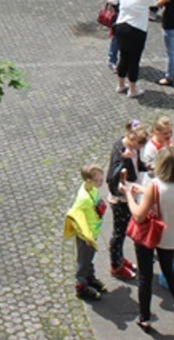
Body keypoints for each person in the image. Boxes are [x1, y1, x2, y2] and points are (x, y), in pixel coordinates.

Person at [123, 145, 174, 331]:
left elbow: (138, 215)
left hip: (149, 235)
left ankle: (145, 317)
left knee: (145, 276)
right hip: (171, 235)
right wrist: (145, 192)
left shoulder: (155, 186)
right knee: (169, 271)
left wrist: (129, 195)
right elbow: (166, 198)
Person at [106, 120, 148, 280]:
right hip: (121, 199)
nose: (140, 148)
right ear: (131, 138)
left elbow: (137, 165)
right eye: (139, 144)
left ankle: (120, 259)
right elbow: (112, 177)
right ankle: (115, 265)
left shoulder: (133, 149)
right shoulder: (120, 150)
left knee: (122, 232)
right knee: (119, 233)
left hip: (131, 195)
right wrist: (124, 161)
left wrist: (147, 167)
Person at [63, 163, 108, 302]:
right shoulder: (83, 199)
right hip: (86, 237)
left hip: (92, 233)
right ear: (89, 181)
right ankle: (81, 286)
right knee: (83, 261)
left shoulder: (92, 190)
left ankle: (90, 278)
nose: (101, 182)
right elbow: (75, 215)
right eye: (98, 180)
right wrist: (87, 235)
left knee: (89, 258)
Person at [108, 0, 154, 97]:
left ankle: (121, 85)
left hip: (121, 27)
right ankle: (132, 89)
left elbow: (111, 0)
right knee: (134, 60)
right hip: (137, 30)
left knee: (123, 57)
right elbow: (155, 2)